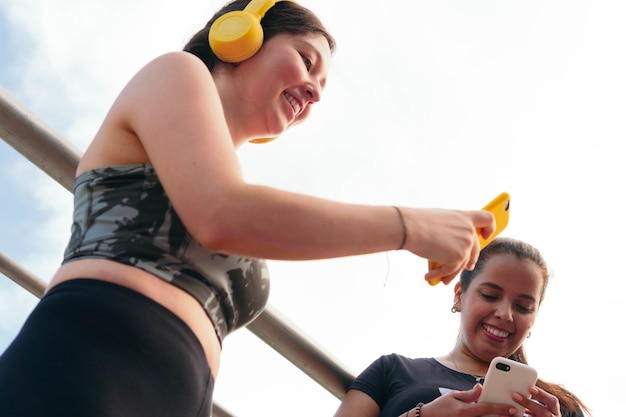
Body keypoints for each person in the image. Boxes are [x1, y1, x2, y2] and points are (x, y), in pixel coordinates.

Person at [0, 0, 497, 416]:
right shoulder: (176, 70)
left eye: (322, 85)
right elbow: (222, 214)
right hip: (86, 365)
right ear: (239, 34)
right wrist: (410, 226)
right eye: (306, 60)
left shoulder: (227, 178)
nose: (315, 92)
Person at [333, 237, 591, 417]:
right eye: (490, 295)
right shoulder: (392, 371)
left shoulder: (557, 407)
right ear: (460, 295)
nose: (505, 314)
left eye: (523, 307)